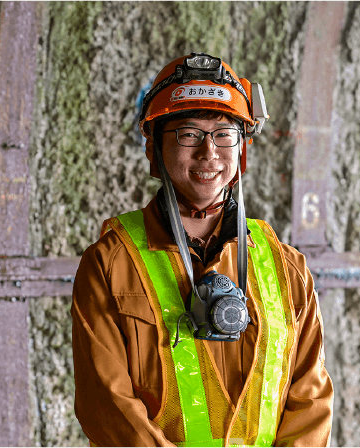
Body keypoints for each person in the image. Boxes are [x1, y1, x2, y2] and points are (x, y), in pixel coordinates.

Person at [71, 53, 334, 447]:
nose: (208, 152)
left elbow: (310, 402)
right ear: (153, 149)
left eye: (224, 133)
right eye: (188, 133)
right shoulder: (110, 264)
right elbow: (108, 407)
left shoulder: (286, 267)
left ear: (241, 149)